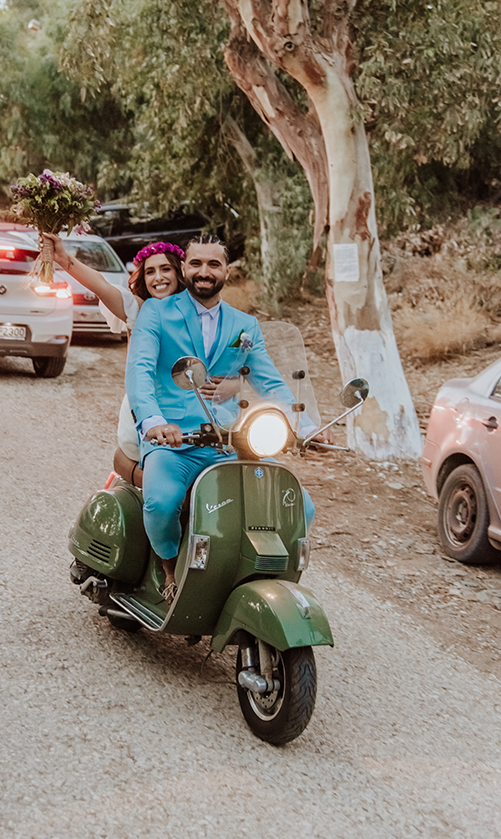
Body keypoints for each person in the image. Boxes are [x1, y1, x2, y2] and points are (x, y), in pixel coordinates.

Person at [125, 235, 326, 603]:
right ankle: (169, 569)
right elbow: (138, 370)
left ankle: (251, 572)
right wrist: (153, 421)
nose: (204, 272)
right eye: (196, 263)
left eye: (214, 264)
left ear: (227, 271)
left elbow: (268, 379)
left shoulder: (244, 324)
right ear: (184, 268)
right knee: (161, 503)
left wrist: (308, 427)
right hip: (175, 440)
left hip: (230, 441)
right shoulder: (157, 312)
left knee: (302, 506)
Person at [44, 233, 186, 485]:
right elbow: (100, 284)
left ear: (179, 273)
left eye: (166, 269)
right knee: (167, 479)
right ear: (143, 277)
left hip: (189, 406)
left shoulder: (197, 312)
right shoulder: (137, 308)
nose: (159, 277)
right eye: (150, 271)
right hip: (147, 405)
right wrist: (63, 259)